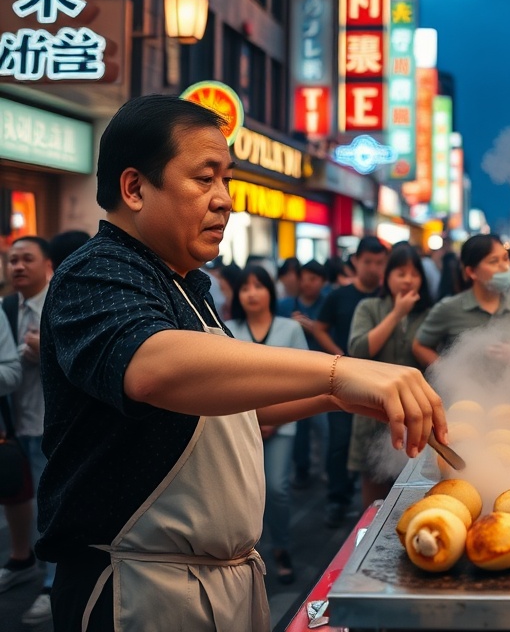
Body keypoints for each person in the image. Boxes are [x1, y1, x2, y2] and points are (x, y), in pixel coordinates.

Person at [36, 95, 445, 632]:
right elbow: (154, 366)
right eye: (205, 179)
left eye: (226, 181)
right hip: (138, 588)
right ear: (134, 188)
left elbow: (221, 410)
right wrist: (337, 370)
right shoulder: (96, 271)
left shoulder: (186, 284)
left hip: (217, 582)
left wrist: (340, 395)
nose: (225, 200)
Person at [224, 266, 306, 585]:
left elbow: (302, 379)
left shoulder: (290, 329)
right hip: (238, 424)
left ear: (271, 292)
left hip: (281, 424)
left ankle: (282, 547)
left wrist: (275, 418)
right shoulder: (227, 329)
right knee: (239, 491)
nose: (252, 293)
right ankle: (242, 553)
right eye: (245, 288)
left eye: (259, 286)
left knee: (277, 488)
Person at [347, 243, 434, 510]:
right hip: (372, 412)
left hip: (415, 413)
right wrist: (397, 314)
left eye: (414, 273)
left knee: (416, 493)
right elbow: (358, 349)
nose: (408, 279)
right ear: (387, 277)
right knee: (373, 498)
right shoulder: (370, 307)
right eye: (400, 273)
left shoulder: (431, 313)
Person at [314, 236, 389, 527]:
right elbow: (320, 329)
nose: (373, 268)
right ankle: (338, 499)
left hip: (376, 385)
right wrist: (340, 358)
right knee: (339, 443)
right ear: (355, 261)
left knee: (373, 446)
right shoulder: (339, 296)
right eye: (368, 261)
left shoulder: (386, 298)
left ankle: (371, 504)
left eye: (379, 262)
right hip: (341, 382)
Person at [1, 236, 55, 625]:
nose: (18, 266)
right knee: (25, 502)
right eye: (12, 260)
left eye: (27, 259)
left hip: (53, 425)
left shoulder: (60, 300)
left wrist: (46, 351)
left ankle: (54, 584)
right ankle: (25, 563)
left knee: (51, 508)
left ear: (47, 264)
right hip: (17, 424)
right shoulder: (7, 307)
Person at [412, 234, 510, 382]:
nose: (504, 267)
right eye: (493, 261)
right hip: (464, 399)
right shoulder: (448, 308)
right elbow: (419, 346)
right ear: (471, 272)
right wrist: (448, 371)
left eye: (506, 259)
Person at [277, 260, 331, 489]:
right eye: (304, 278)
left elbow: (333, 339)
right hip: (293, 376)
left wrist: (313, 328)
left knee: (324, 426)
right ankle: (302, 469)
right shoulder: (284, 305)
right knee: (298, 427)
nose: (307, 283)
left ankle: (327, 470)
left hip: (323, 376)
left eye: (314, 279)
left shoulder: (328, 304)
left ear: (323, 282)